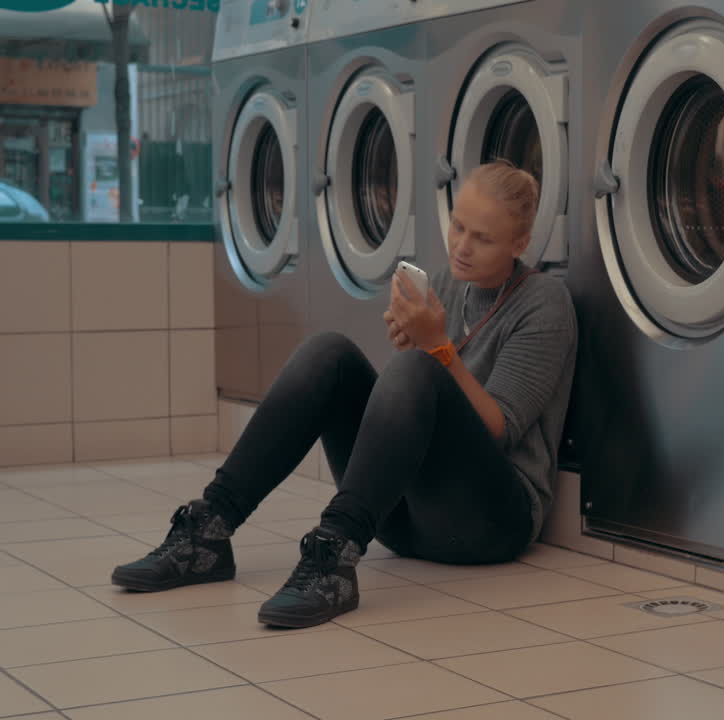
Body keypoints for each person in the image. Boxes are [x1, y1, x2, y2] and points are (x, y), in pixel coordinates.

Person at [110, 161, 578, 628]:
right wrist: (419, 348)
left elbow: (499, 430)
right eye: (458, 226)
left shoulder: (543, 302)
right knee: (329, 352)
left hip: (492, 525)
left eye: (484, 238)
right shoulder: (446, 286)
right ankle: (207, 533)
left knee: (416, 367)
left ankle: (333, 557)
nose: (462, 246)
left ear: (520, 244)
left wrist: (435, 350)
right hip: (406, 522)